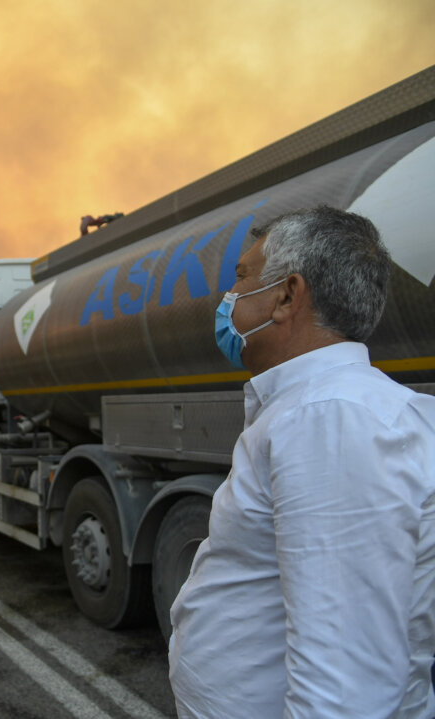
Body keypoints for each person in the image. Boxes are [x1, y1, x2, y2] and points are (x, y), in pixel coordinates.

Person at [169, 206, 435, 718]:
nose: (228, 300)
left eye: (242, 279)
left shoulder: (331, 420)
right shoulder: (318, 410)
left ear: (288, 295)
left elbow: (341, 690)